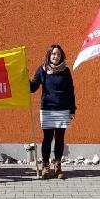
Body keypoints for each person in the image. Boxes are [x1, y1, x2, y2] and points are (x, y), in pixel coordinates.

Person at [29, 44, 76, 179]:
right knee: (47, 138)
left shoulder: (66, 71)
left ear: (61, 56)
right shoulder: (42, 70)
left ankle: (58, 167)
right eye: (54, 54)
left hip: (63, 109)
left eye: (58, 54)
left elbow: (70, 91)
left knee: (60, 139)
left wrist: (72, 109)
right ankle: (45, 166)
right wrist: (23, 77)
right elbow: (32, 87)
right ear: (49, 55)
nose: (56, 56)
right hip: (47, 109)